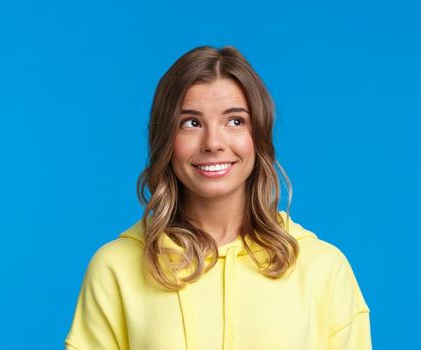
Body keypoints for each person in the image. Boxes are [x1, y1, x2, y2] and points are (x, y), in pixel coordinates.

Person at [64, 45, 371, 350]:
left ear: (259, 136)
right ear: (166, 140)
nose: (213, 142)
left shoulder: (324, 269)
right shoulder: (115, 268)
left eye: (235, 121)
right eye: (191, 123)